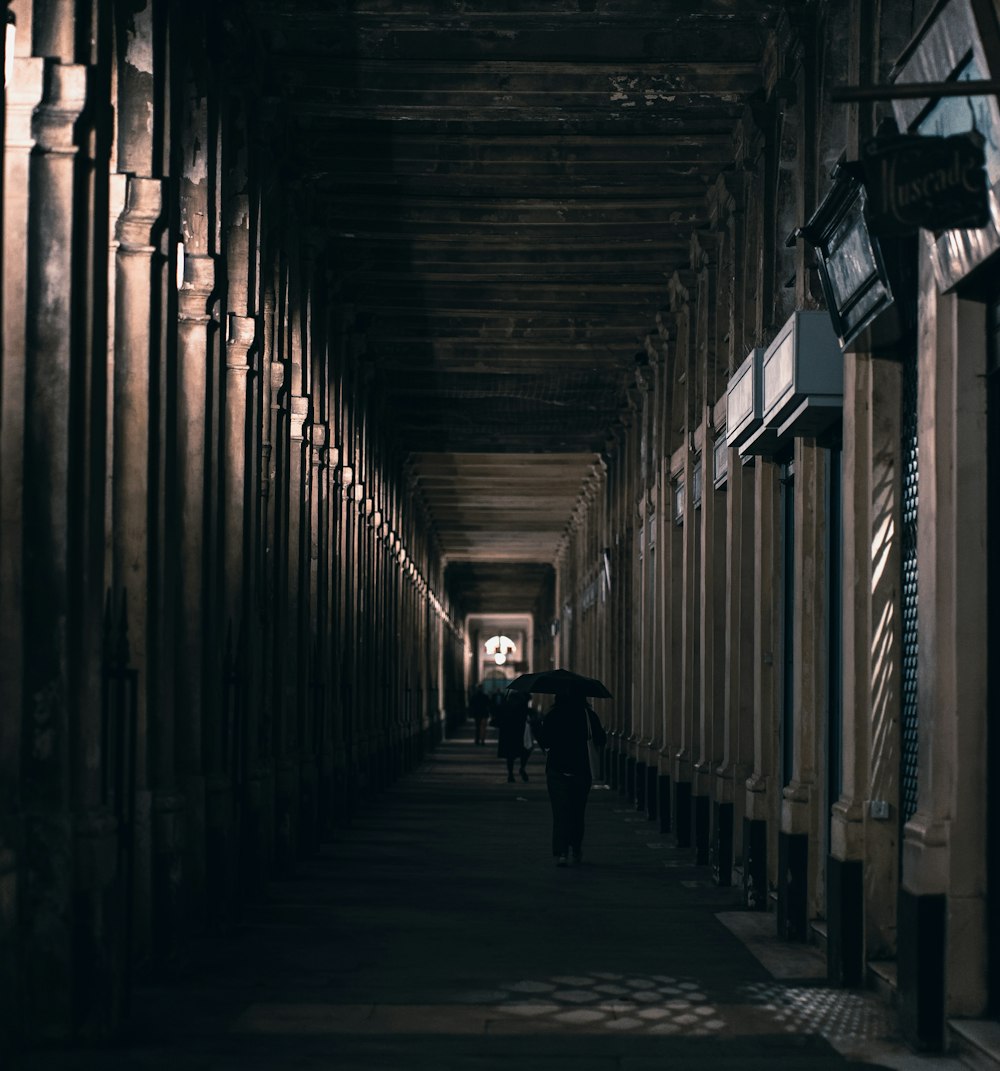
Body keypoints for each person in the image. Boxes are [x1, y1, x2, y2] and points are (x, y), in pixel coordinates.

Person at [534, 690, 606, 867]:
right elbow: (601, 739)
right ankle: (576, 849)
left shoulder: (553, 715)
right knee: (577, 812)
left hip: (557, 771)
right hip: (581, 771)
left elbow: (544, 742)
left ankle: (561, 853)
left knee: (560, 813)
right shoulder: (588, 715)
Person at [495, 690, 533, 783]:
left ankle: (510, 775)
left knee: (510, 756)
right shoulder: (522, 704)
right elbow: (527, 717)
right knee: (526, 750)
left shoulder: (506, 704)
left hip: (508, 733)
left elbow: (499, 717)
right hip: (520, 732)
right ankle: (522, 768)